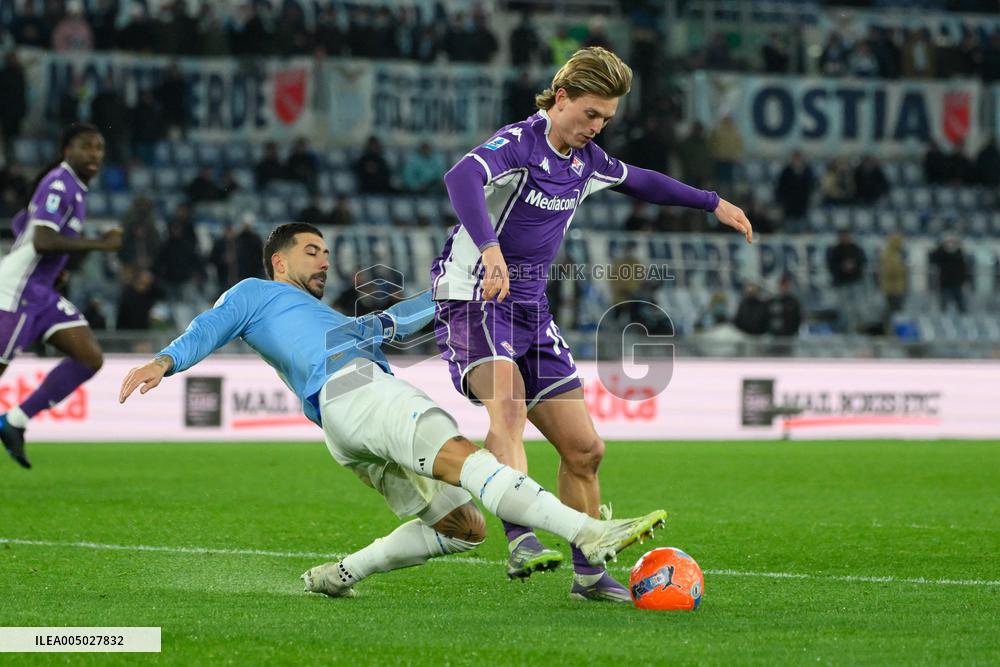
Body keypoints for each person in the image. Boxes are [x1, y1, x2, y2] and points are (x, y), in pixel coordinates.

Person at [118, 223, 666, 599]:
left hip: (344, 428)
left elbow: (405, 318)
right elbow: (209, 326)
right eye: (312, 250)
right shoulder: (256, 292)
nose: (324, 258)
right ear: (279, 260)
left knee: (462, 528)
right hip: (359, 393)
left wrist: (455, 292)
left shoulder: (325, 317)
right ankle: (587, 533)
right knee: (463, 457)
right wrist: (165, 361)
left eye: (327, 252)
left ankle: (340, 574)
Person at [430, 47, 751, 602]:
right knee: (507, 407)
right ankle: (521, 535)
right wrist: (490, 249)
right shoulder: (522, 144)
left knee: (585, 450)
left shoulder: (587, 162)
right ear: (561, 99)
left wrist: (712, 202)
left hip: (530, 308)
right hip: (475, 296)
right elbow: (461, 176)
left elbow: (644, 180)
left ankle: (588, 573)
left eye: (606, 119)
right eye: (591, 114)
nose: (597, 127)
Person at [0, 123, 123, 469]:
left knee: (89, 357)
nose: (94, 154)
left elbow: (22, 224)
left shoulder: (75, 189)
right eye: (86, 146)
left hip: (41, 291)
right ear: (67, 149)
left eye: (99, 148)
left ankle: (15, 422)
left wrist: (55, 268)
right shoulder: (60, 182)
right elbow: (42, 240)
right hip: (16, 292)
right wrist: (100, 244)